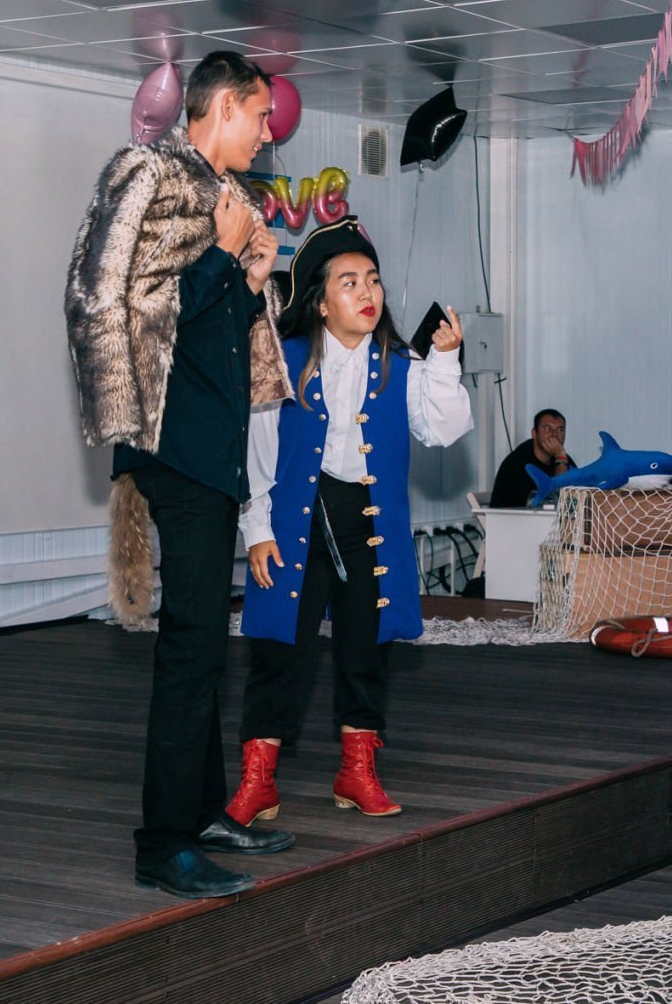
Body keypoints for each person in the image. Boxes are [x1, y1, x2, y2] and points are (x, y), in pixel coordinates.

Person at [65, 51, 296, 900]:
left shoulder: (226, 197)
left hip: (212, 449)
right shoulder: (150, 174)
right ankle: (162, 843)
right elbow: (119, 303)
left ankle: (201, 812)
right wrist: (220, 256)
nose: (267, 133)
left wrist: (249, 278)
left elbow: (210, 328)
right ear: (224, 106)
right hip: (173, 448)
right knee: (192, 647)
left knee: (204, 645)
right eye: (260, 115)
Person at [226, 216, 472, 827]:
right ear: (320, 300)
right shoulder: (284, 359)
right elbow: (256, 448)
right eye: (350, 282)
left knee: (366, 646)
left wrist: (445, 361)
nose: (368, 293)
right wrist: (257, 528)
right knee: (278, 647)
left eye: (373, 280)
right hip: (294, 522)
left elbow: (443, 430)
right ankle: (258, 780)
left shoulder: (403, 364)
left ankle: (356, 771)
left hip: (368, 523)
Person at [489, 409, 577, 507]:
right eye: (548, 428)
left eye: (560, 430)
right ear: (534, 433)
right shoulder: (518, 462)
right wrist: (560, 457)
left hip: (541, 515)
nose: (554, 435)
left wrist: (561, 458)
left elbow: (576, 497)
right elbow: (555, 498)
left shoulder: (562, 457)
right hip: (511, 515)